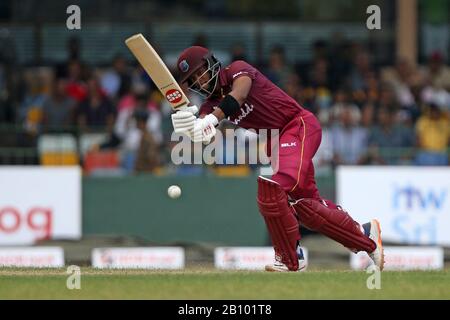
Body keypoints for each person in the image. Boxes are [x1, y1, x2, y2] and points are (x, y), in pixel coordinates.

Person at [171, 46, 384, 272]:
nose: (200, 82)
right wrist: (192, 128)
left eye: (200, 73)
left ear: (210, 63)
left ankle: (289, 257)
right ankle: (366, 237)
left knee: (274, 189)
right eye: (193, 80)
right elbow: (206, 133)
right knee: (306, 209)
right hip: (276, 143)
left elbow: (239, 95)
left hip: (298, 125)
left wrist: (210, 120)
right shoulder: (210, 106)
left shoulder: (237, 70)